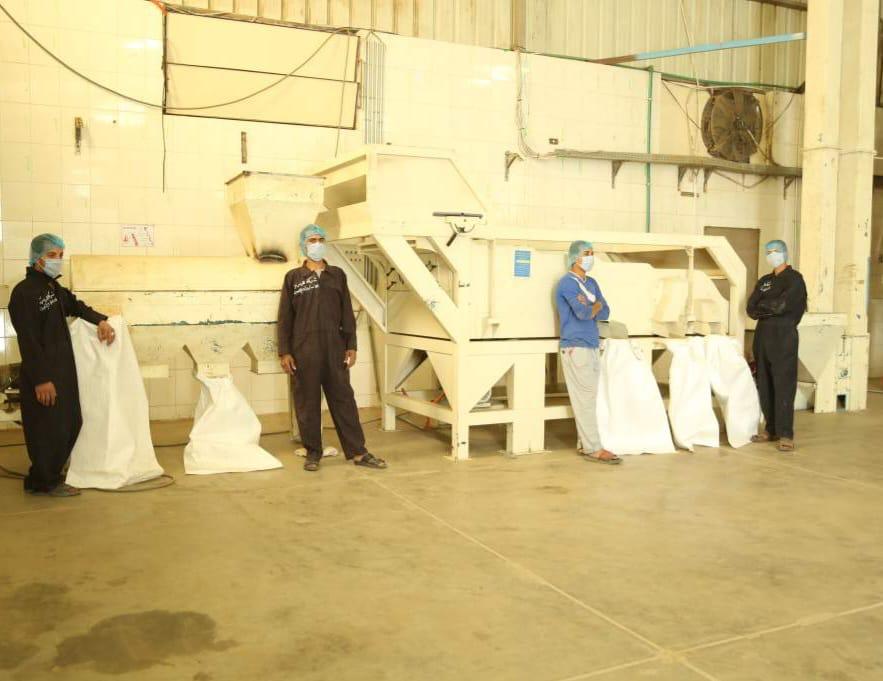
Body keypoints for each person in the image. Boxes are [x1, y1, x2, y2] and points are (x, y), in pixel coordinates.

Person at [8, 234, 116, 497]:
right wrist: (41, 379)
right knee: (47, 429)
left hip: (62, 370)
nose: (58, 260)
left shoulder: (54, 289)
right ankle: (46, 481)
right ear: (37, 258)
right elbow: (28, 340)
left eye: (60, 255)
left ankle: (43, 477)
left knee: (70, 422)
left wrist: (101, 320)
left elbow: (76, 306)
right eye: (52, 255)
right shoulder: (24, 293)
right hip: (42, 373)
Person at [277, 224, 387, 472]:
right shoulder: (294, 278)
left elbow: (346, 312)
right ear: (304, 245)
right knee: (307, 402)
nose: (317, 244)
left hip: (334, 348)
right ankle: (313, 452)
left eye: (320, 239)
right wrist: (285, 351)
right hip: (304, 350)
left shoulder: (337, 275)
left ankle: (358, 452)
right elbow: (285, 317)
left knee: (343, 399)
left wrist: (351, 345)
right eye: (312, 240)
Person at [556, 240, 621, 465]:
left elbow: (605, 311)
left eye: (592, 253)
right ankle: (593, 448)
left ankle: (586, 444)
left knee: (590, 399)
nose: (590, 257)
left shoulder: (591, 283)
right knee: (584, 400)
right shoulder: (567, 284)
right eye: (587, 253)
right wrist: (594, 306)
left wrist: (592, 306)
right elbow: (583, 314)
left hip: (592, 344)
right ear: (575, 257)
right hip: (576, 346)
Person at [747, 239, 807, 452]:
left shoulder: (795, 279)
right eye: (769, 252)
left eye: (775, 251)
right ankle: (770, 429)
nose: (772, 255)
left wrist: (765, 306)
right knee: (764, 383)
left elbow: (783, 305)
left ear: (784, 253)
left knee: (783, 384)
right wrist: (769, 307)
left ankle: (786, 434)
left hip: (784, 336)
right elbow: (751, 308)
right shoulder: (765, 281)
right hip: (762, 336)